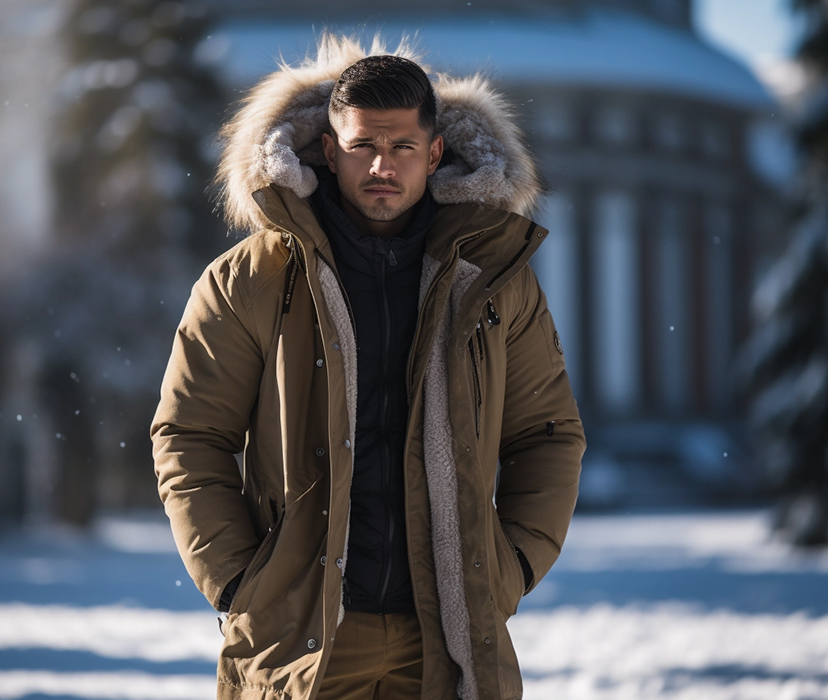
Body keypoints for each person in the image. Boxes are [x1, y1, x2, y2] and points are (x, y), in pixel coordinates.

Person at [151, 33, 584, 700]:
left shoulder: (495, 281)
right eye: (362, 146)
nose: (382, 164)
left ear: (434, 152)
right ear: (329, 148)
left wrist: (511, 566)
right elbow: (189, 436)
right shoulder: (249, 280)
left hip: (447, 634)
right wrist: (242, 583)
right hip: (303, 634)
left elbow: (548, 435)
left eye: (402, 147)